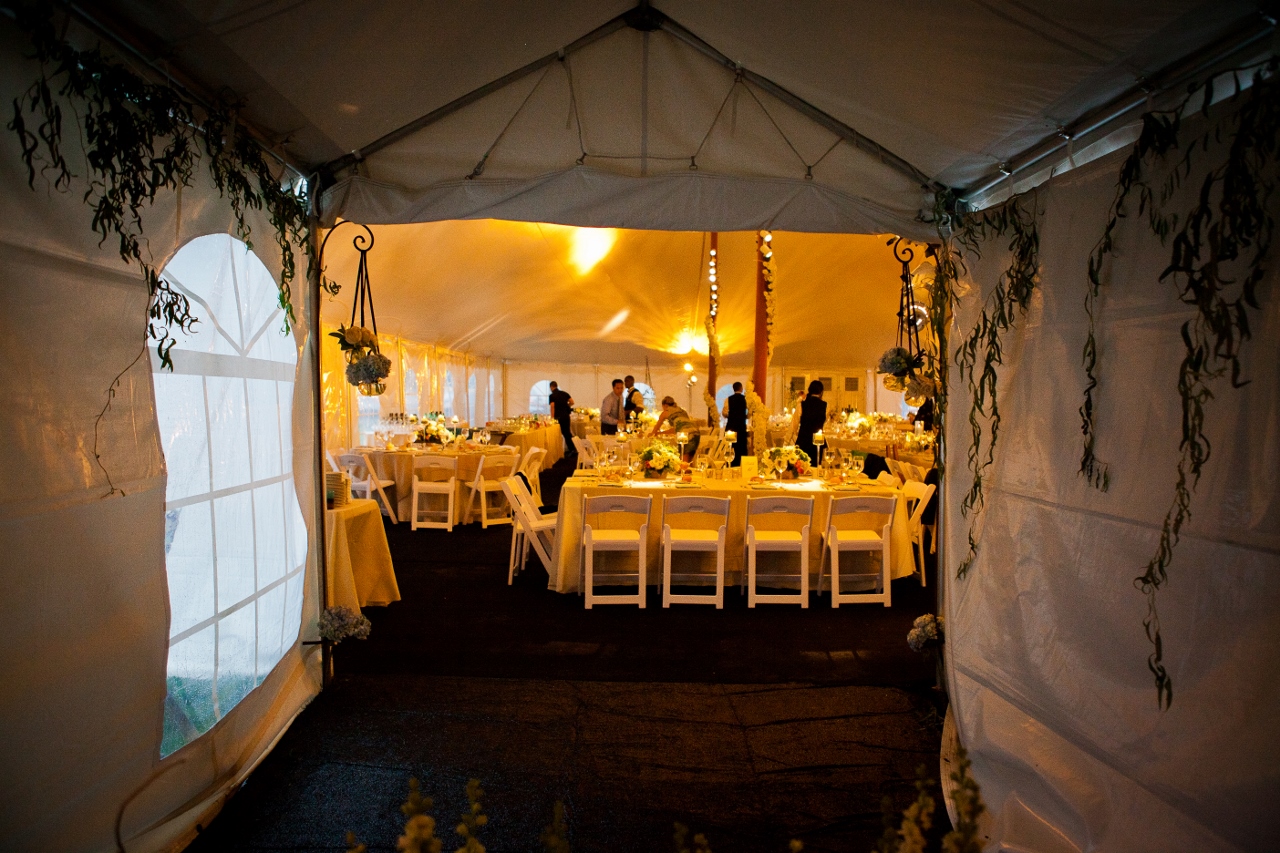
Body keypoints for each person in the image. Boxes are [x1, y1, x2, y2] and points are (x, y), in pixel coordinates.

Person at [651, 395, 700, 461]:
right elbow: (678, 428)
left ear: (665, 405)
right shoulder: (682, 411)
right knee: (688, 463)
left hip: (684, 435)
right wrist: (660, 433)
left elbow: (655, 429)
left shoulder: (665, 412)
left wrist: (653, 433)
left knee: (682, 462)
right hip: (696, 433)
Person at [795, 379, 827, 465]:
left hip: (803, 441)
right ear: (821, 392)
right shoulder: (824, 405)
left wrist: (787, 441)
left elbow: (794, 425)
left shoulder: (802, 404)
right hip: (818, 443)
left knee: (801, 468)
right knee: (816, 468)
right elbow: (825, 425)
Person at [721, 381, 748, 466]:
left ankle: (731, 464)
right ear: (741, 388)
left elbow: (724, 413)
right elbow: (749, 413)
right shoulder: (746, 399)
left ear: (733, 389)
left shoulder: (728, 399)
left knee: (731, 446)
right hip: (741, 427)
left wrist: (731, 415)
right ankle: (742, 465)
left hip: (731, 426)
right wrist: (743, 416)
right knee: (742, 446)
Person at [548, 381, 575, 454]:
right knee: (567, 433)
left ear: (551, 387)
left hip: (558, 417)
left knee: (559, 433)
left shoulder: (552, 396)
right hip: (566, 415)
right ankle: (573, 447)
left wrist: (552, 417)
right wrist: (566, 406)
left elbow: (552, 406)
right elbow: (572, 402)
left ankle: (571, 449)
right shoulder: (564, 393)